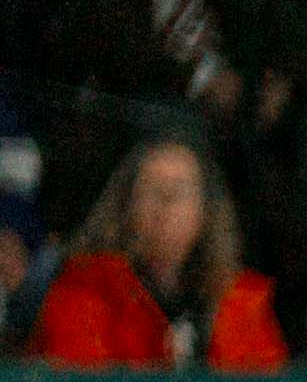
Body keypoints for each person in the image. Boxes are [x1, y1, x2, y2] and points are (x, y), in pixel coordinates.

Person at [29, 138, 284, 368]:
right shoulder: (85, 288)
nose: (167, 201)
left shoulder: (242, 302)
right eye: (152, 188)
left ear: (205, 212)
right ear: (127, 205)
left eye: (181, 189)